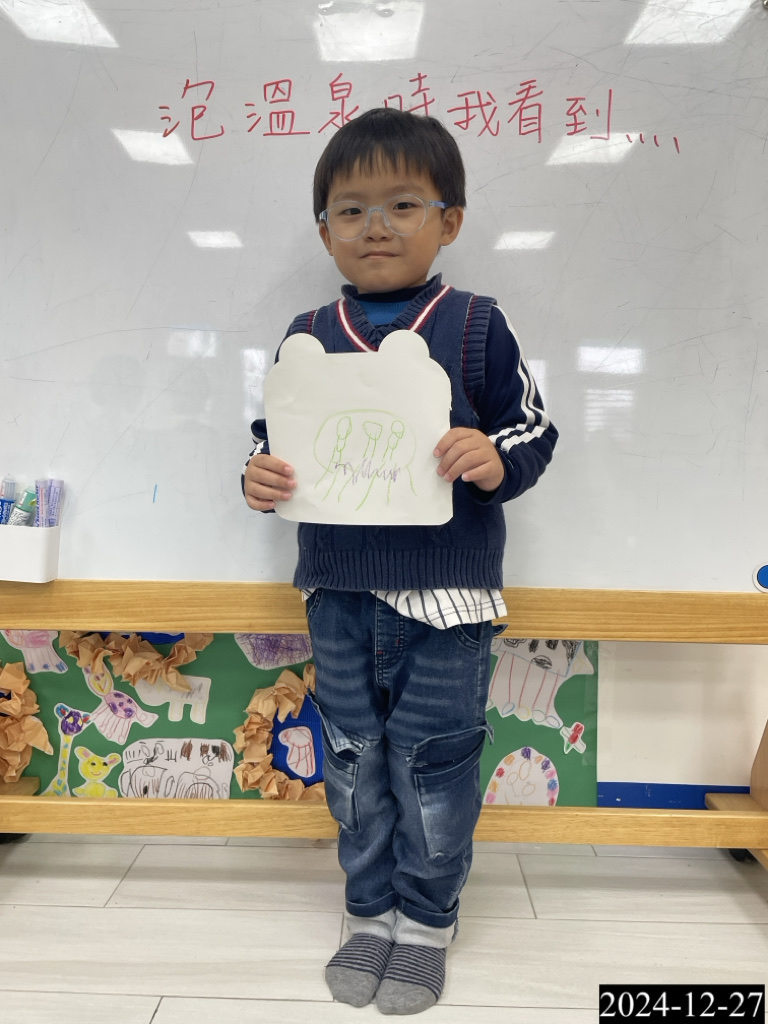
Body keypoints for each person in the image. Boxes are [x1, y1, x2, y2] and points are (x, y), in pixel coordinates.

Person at [243, 107, 558, 1015]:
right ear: (324, 231)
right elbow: (272, 439)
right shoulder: (305, 333)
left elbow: (533, 431)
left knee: (434, 762)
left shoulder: (477, 325)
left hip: (448, 600)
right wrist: (258, 475)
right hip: (337, 593)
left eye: (403, 204)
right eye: (350, 210)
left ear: (448, 220)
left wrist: (494, 457)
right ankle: (367, 910)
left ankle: (425, 921)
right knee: (352, 758)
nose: (375, 226)